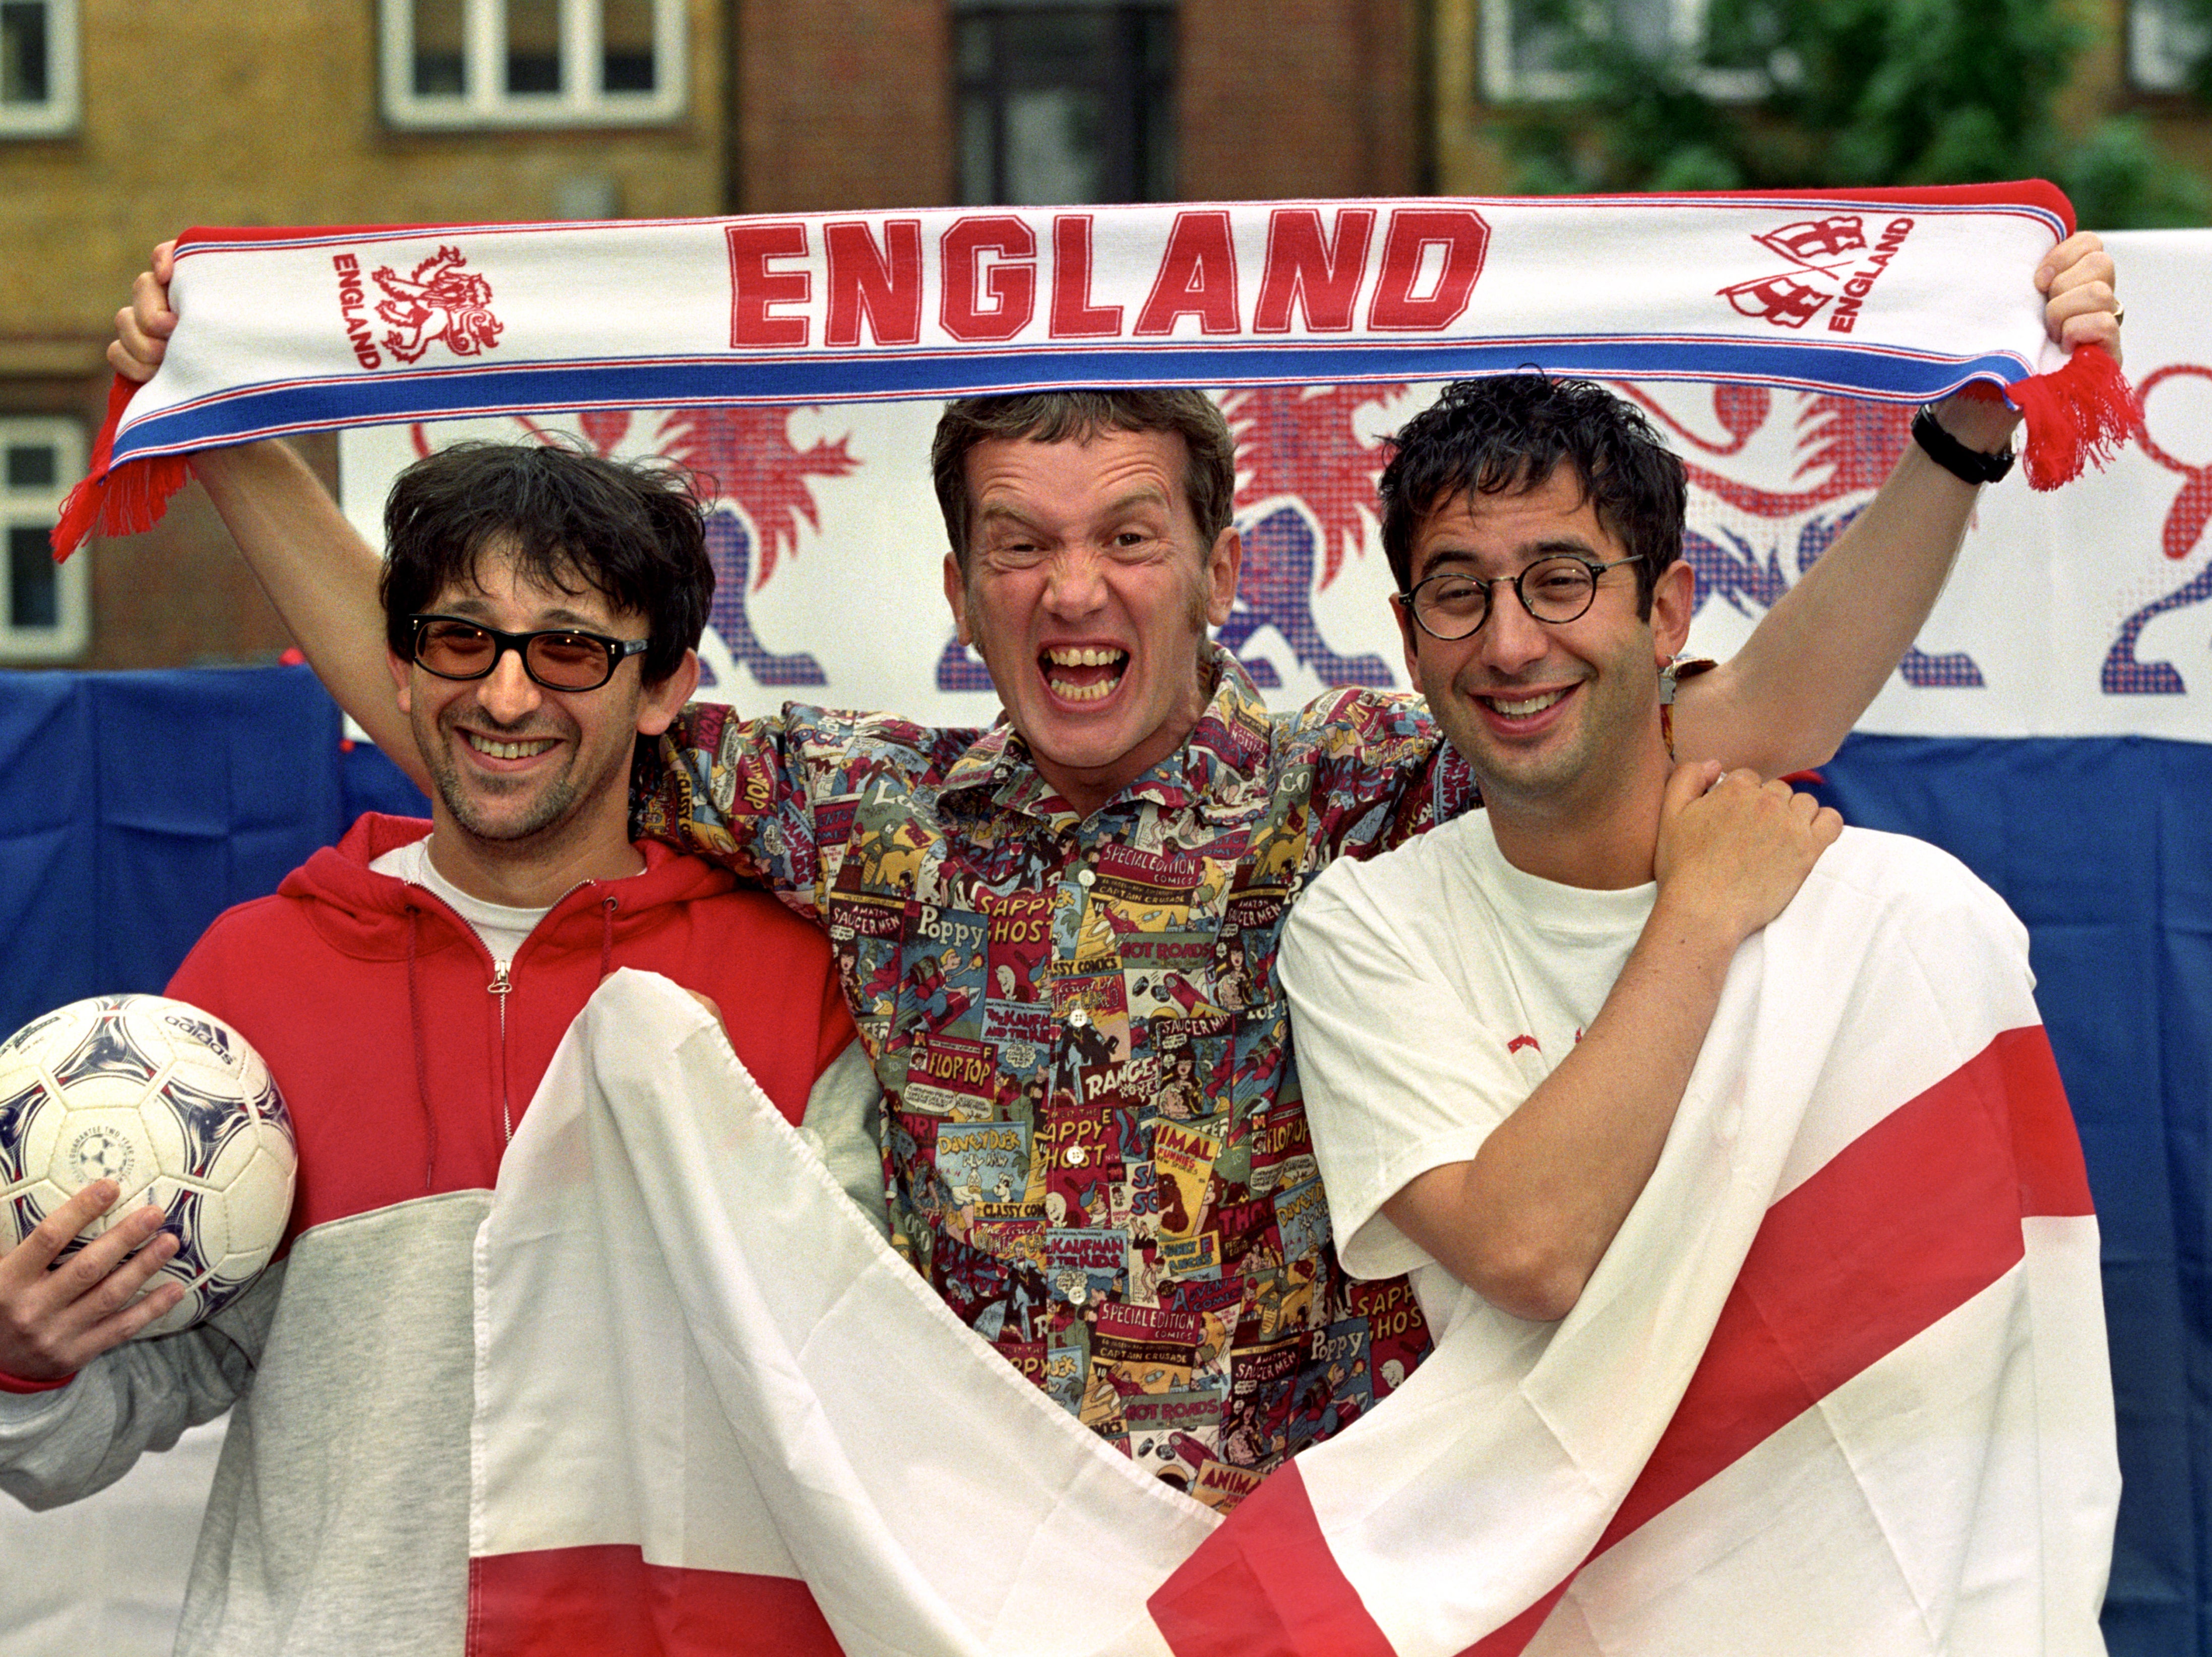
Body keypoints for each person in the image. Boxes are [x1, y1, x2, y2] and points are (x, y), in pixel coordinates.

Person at [102, 236, 2121, 1503]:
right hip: (952, 1550)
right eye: (1022, 545)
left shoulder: (1338, 778)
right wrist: (231, 406)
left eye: (1127, 536)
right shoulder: (851, 808)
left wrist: (1947, 442)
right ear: (963, 590)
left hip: (1303, 1555)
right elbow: (469, 700)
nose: (1076, 588)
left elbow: (1731, 731)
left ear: (1221, 568)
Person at [0, 443, 879, 1656]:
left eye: (569, 648)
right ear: (401, 669)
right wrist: (20, 1367)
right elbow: (120, 1410)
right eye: (463, 639)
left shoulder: (792, 983)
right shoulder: (257, 978)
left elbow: (867, 1404)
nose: (506, 697)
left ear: (666, 686)